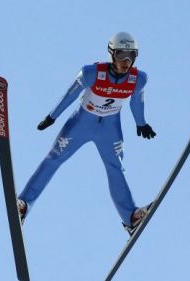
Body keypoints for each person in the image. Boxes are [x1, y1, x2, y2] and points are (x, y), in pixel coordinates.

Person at [17, 32, 156, 235]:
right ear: (111, 54)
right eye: (120, 55)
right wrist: (52, 116)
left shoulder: (138, 79)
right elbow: (70, 94)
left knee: (115, 168)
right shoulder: (92, 73)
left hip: (110, 127)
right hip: (82, 123)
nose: (125, 61)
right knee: (54, 158)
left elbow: (136, 102)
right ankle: (23, 204)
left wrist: (141, 123)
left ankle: (131, 218)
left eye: (130, 55)